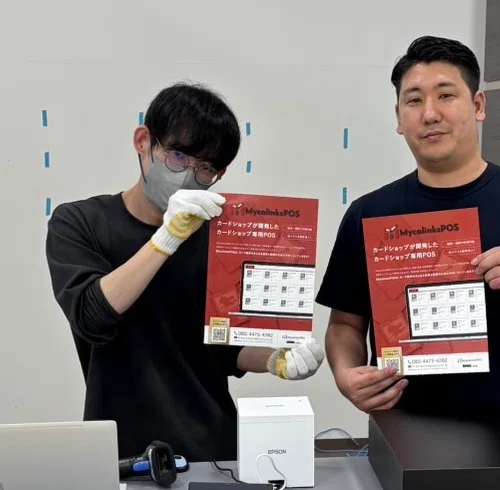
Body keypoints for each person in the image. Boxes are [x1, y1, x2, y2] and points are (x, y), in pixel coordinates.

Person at [315, 36, 500, 415]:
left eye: (446, 95)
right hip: (402, 427)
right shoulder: (368, 214)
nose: (430, 114)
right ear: (399, 118)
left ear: (478, 105)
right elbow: (344, 326)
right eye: (414, 100)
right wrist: (346, 375)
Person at [45, 82, 324, 462]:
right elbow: (91, 317)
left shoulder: (220, 236)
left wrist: (276, 358)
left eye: (206, 168)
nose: (189, 175)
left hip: (212, 445)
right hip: (122, 450)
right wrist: (166, 239)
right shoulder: (79, 222)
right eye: (177, 156)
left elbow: (223, 347)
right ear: (143, 142)